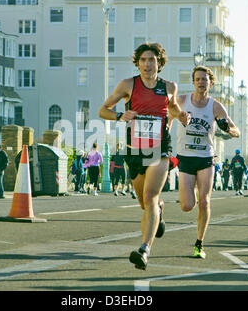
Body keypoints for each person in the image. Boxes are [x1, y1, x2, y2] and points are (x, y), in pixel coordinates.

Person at [99, 42, 190, 270]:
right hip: (135, 150)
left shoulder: (169, 87)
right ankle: (159, 210)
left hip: (160, 148)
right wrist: (120, 115)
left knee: (149, 196)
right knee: (144, 203)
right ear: (137, 63)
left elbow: (173, 108)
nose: (147, 64)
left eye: (152, 60)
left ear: (159, 63)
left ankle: (144, 250)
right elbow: (103, 110)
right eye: (143, 60)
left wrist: (181, 116)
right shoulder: (128, 85)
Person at [170, 65, 240, 259]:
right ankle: (187, 191)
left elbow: (236, 131)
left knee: (205, 201)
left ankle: (199, 243)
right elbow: (167, 114)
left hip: (206, 158)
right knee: (186, 205)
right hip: (185, 156)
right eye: (198, 79)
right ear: (193, 82)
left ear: (211, 83)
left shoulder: (215, 106)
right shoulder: (182, 100)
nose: (201, 82)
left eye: (205, 79)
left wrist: (226, 128)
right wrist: (170, 128)